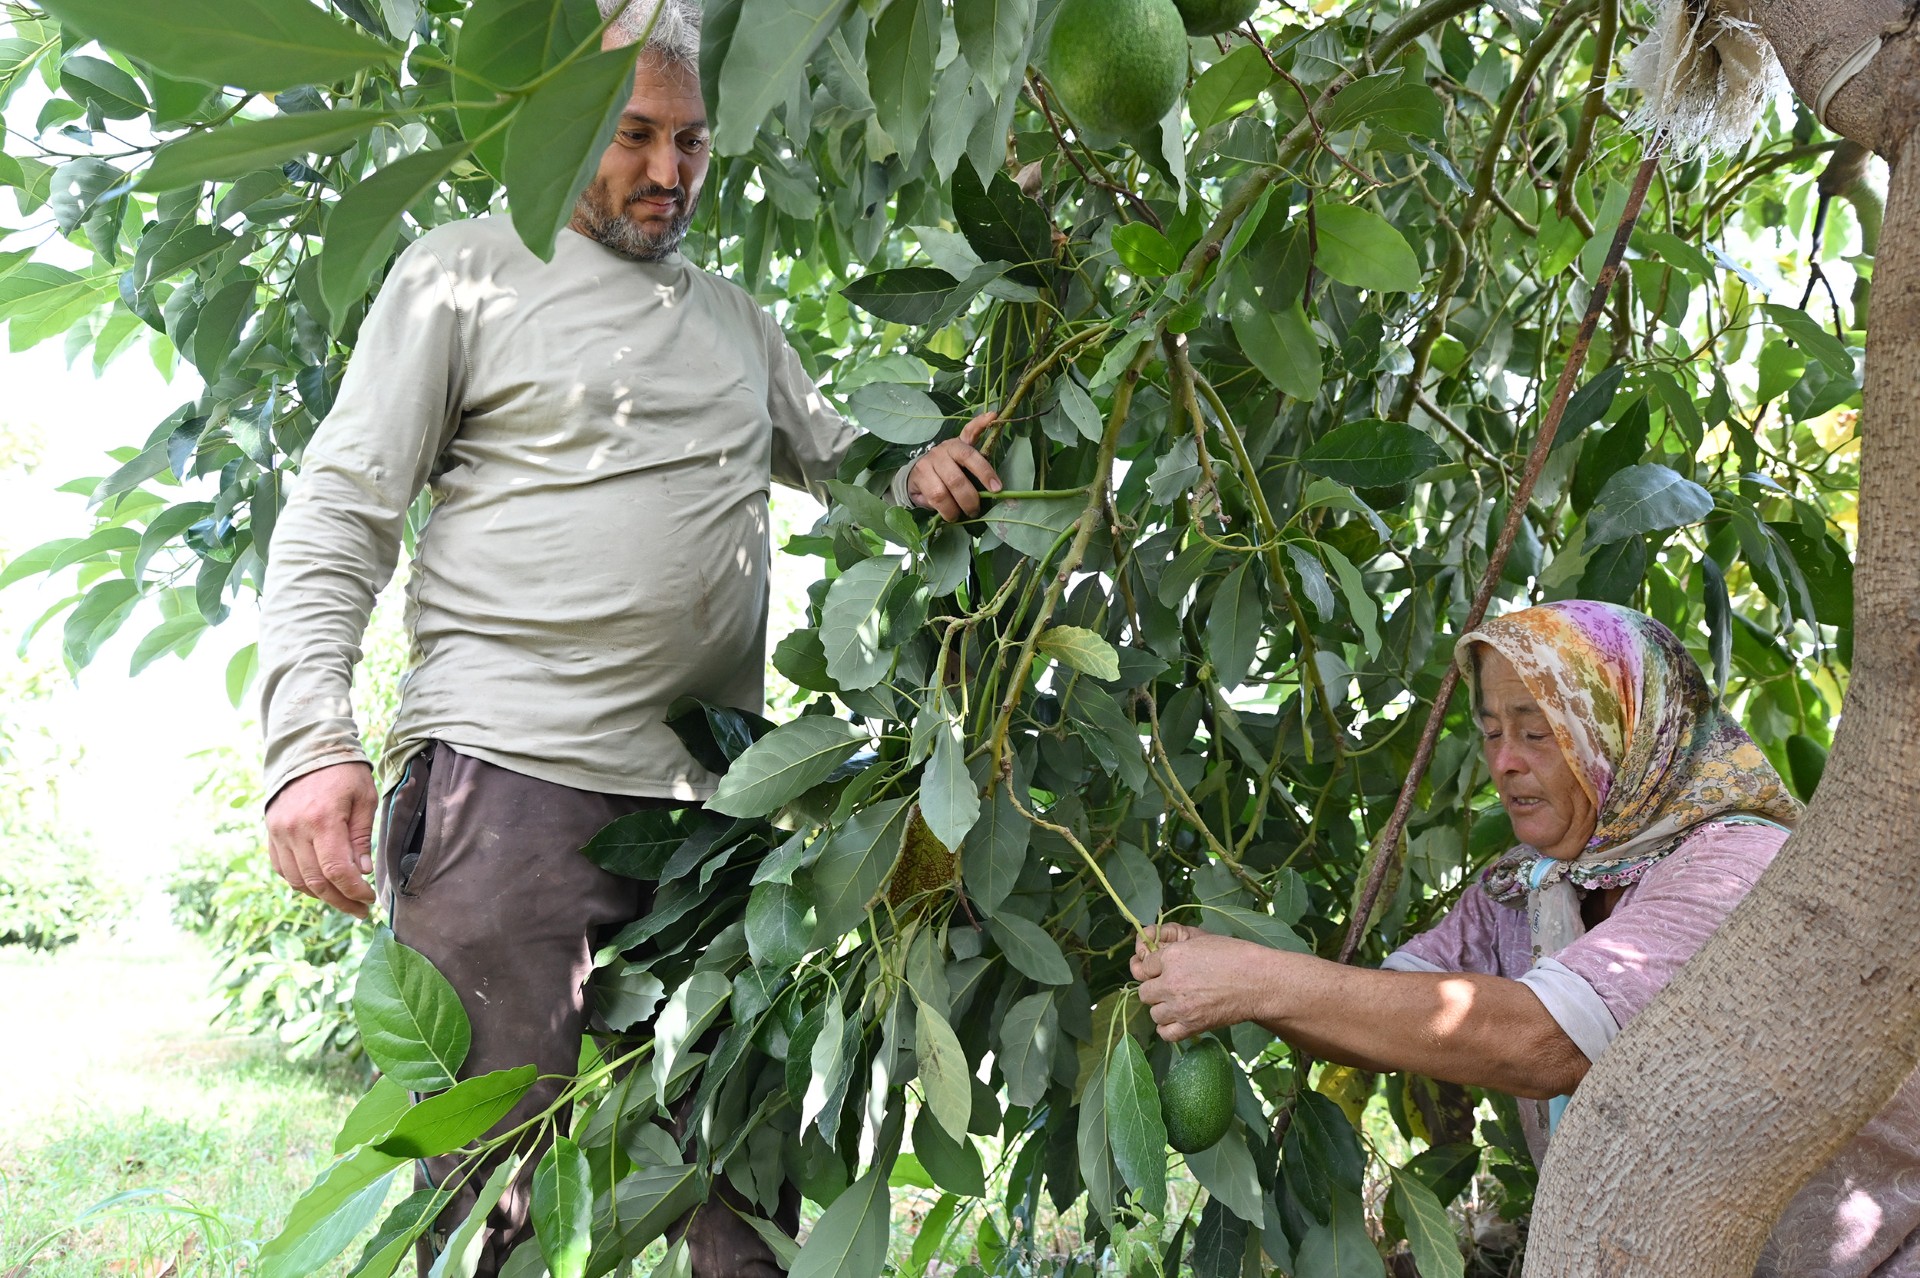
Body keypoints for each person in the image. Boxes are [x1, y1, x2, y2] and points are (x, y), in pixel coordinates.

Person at [255, 2, 1001, 1273]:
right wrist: (307, 740)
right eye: (632, 134)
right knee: (500, 1204)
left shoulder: (735, 322)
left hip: (710, 818)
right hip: (509, 798)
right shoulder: (464, 270)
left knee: (742, 1191)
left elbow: (858, 466)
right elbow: (343, 508)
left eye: (693, 143)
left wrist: (927, 465)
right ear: (560, 120)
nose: (668, 173)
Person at [1132, 600, 1920, 1276]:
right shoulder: (1528, 883)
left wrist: (1261, 981)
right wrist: (1219, 977)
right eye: (1491, 732)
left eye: (1537, 733)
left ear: (1623, 727)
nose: (1504, 763)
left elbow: (1546, 1044)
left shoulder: (1738, 866)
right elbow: (1386, 1018)